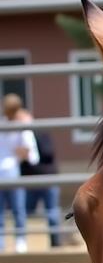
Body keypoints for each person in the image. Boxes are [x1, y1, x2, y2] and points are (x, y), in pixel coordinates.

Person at [16, 103, 61, 247]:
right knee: (24, 211)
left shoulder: (40, 132)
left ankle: (56, 243)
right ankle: (21, 243)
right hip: (30, 182)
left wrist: (28, 152)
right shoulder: (18, 136)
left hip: (47, 179)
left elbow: (48, 153)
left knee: (51, 212)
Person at [1, 93, 38, 253]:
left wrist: (22, 153)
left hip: (13, 173)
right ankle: (2, 242)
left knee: (18, 209)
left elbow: (31, 155)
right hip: (2, 173)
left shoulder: (23, 126)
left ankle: (20, 241)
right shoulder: (2, 123)